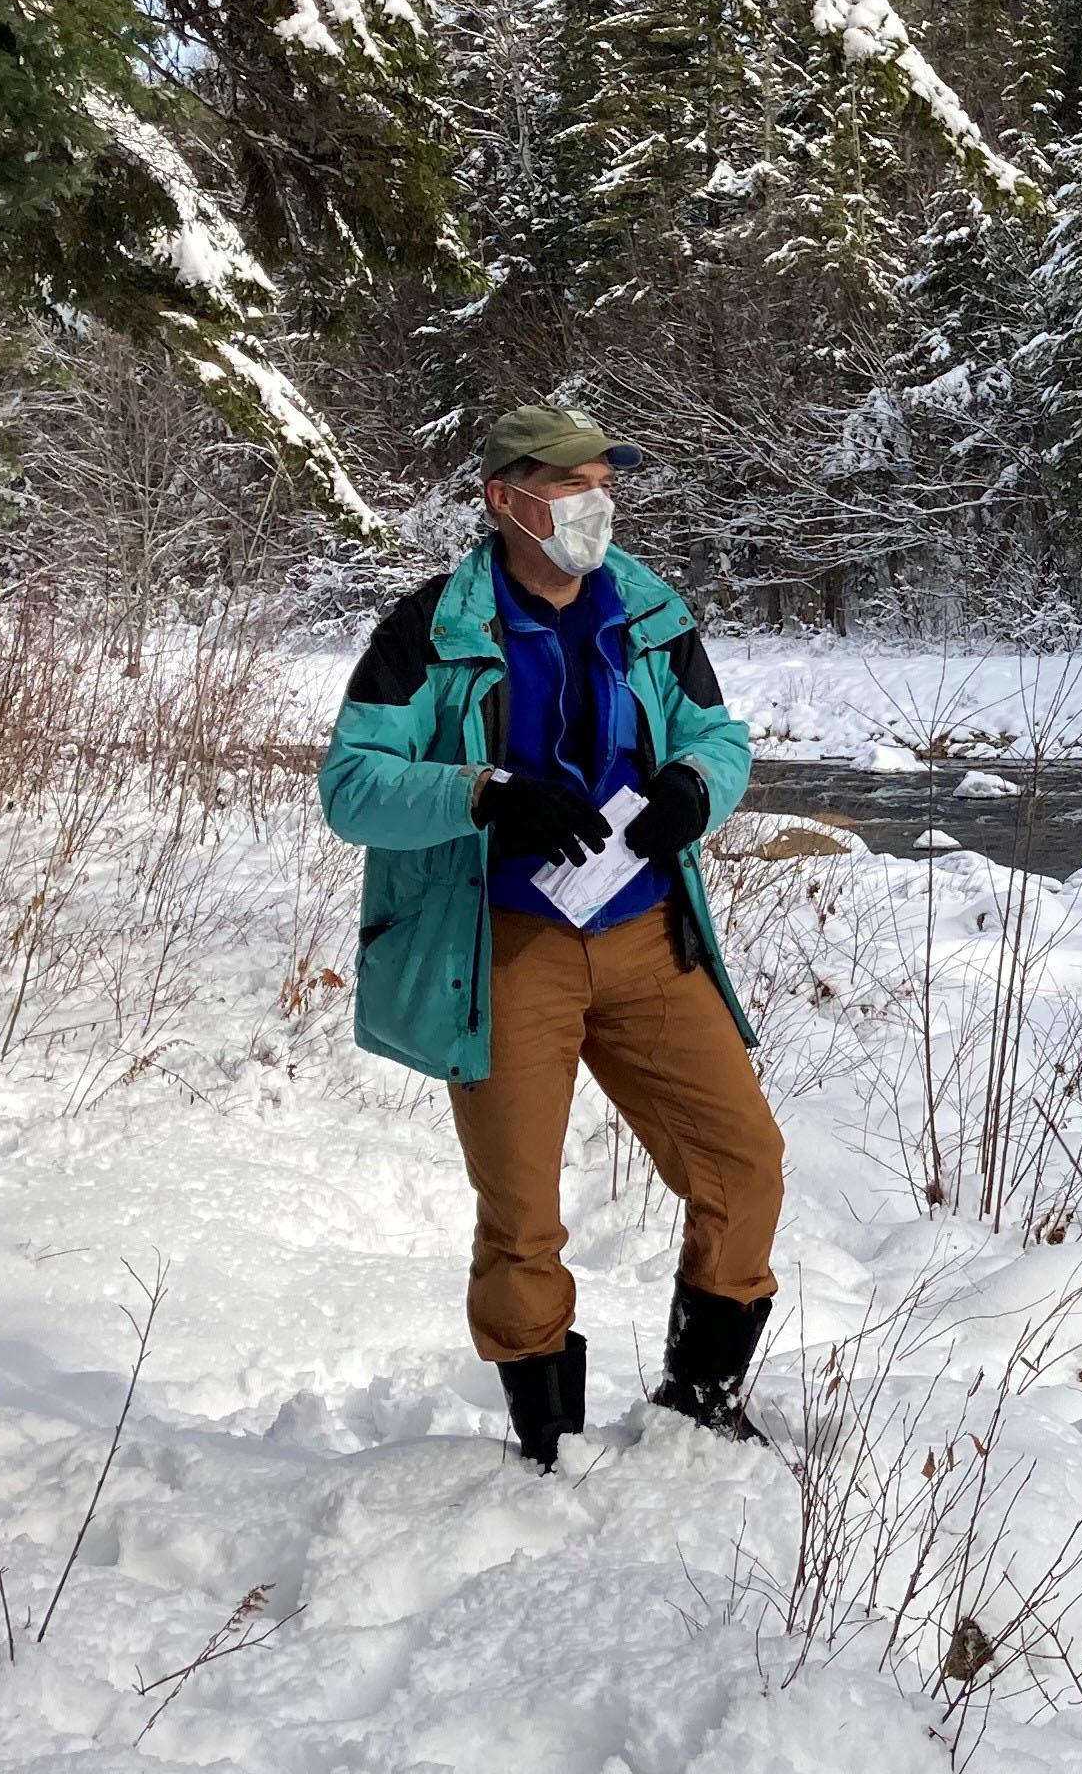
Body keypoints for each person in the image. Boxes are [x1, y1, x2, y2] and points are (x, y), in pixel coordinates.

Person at [317, 403, 783, 1471]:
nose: (593, 505)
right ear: (505, 499)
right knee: (523, 1214)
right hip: (507, 950)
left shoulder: (650, 612)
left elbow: (720, 735)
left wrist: (692, 787)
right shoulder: (429, 630)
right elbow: (350, 789)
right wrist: (482, 794)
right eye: (570, 486)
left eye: (603, 483)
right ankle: (548, 1441)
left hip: (647, 938)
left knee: (744, 1162)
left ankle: (701, 1397)